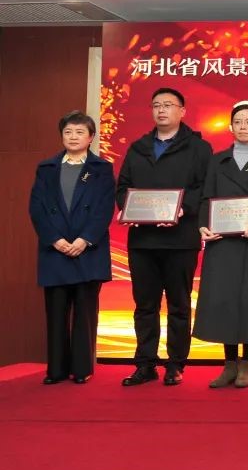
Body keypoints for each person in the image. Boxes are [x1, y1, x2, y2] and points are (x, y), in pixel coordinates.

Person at [116, 87, 212, 386]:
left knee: (179, 305)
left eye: (168, 105)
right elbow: (123, 187)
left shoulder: (199, 148)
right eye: (156, 105)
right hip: (143, 240)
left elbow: (205, 187)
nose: (161, 110)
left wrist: (183, 208)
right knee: (145, 306)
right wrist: (129, 209)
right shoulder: (138, 147)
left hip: (180, 239)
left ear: (182, 111)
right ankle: (145, 364)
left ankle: (175, 364)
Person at [193, 102, 248, 389]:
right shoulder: (217, 161)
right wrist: (203, 225)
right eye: (238, 122)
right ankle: (229, 363)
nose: (243, 126)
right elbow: (206, 197)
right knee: (225, 300)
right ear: (231, 127)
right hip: (222, 242)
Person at [29, 111, 115, 384]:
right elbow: (37, 208)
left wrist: (84, 239)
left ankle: (82, 368)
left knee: (84, 312)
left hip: (87, 250)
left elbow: (104, 208)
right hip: (55, 249)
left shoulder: (101, 169)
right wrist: (55, 239)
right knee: (55, 311)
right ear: (61, 136)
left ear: (91, 137)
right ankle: (56, 370)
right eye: (68, 132)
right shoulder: (47, 168)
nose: (73, 137)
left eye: (80, 132)